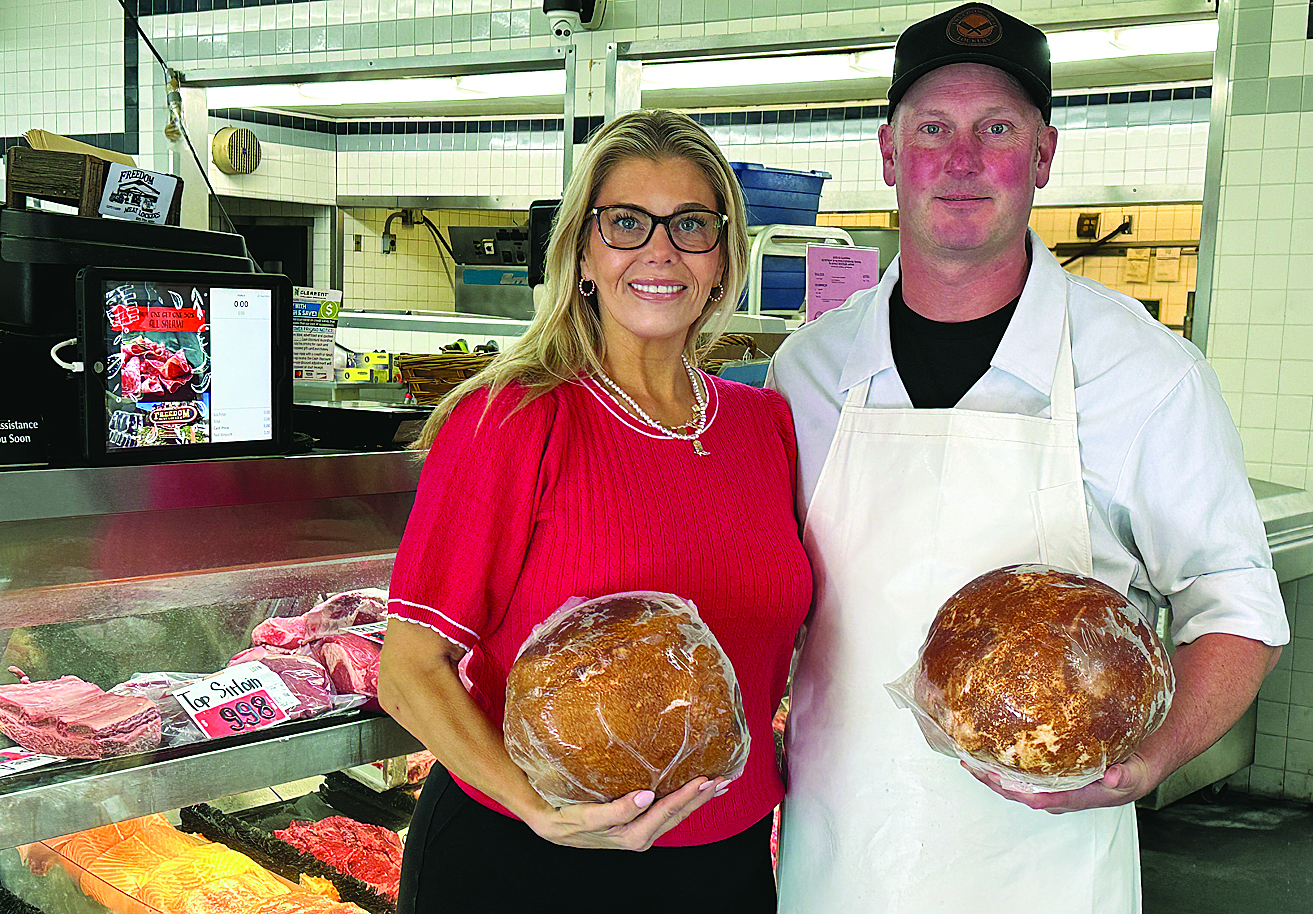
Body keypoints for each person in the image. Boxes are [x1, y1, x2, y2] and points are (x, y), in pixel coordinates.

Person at [768, 4, 1290, 912]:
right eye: (932, 128)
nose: (960, 159)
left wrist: (1151, 761)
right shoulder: (807, 368)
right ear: (889, 154)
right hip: (837, 853)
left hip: (1046, 867)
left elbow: (1236, 600)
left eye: (995, 129)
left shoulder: (1143, 372)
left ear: (1042, 156)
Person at [377, 108, 812, 913]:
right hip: (531, 864)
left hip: (726, 862)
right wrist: (537, 807)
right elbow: (407, 673)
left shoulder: (766, 426)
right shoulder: (512, 418)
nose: (659, 251)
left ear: (723, 260)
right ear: (583, 254)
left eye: (690, 224)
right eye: (624, 223)